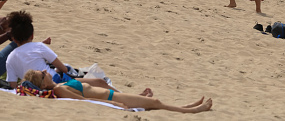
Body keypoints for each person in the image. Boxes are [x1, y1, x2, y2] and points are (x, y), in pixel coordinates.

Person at [5, 11, 114, 90]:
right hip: (55, 81)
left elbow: (13, 85)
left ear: (13, 39)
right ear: (32, 35)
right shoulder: (38, 46)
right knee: (100, 82)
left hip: (33, 87)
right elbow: (63, 68)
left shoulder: (10, 58)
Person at [23, 69, 213, 113]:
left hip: (112, 94)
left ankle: (185, 106)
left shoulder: (60, 85)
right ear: (42, 83)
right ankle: (192, 110)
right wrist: (114, 104)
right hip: (112, 97)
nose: (46, 72)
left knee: (152, 104)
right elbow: (83, 101)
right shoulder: (60, 90)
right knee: (155, 104)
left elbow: (96, 81)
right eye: (42, 74)